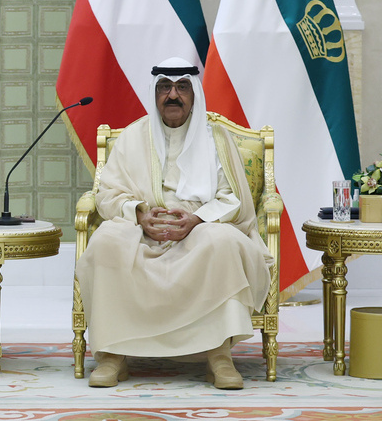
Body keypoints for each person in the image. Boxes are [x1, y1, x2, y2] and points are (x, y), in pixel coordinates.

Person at [75, 57, 272, 390]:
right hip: (142, 226)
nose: (173, 95)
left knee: (222, 242)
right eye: (165, 87)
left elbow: (234, 199)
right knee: (108, 241)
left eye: (182, 87)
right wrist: (138, 214)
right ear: (154, 93)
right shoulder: (133, 137)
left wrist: (196, 219)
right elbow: (107, 194)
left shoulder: (217, 139)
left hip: (198, 227)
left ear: (194, 93)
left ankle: (218, 354)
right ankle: (113, 355)